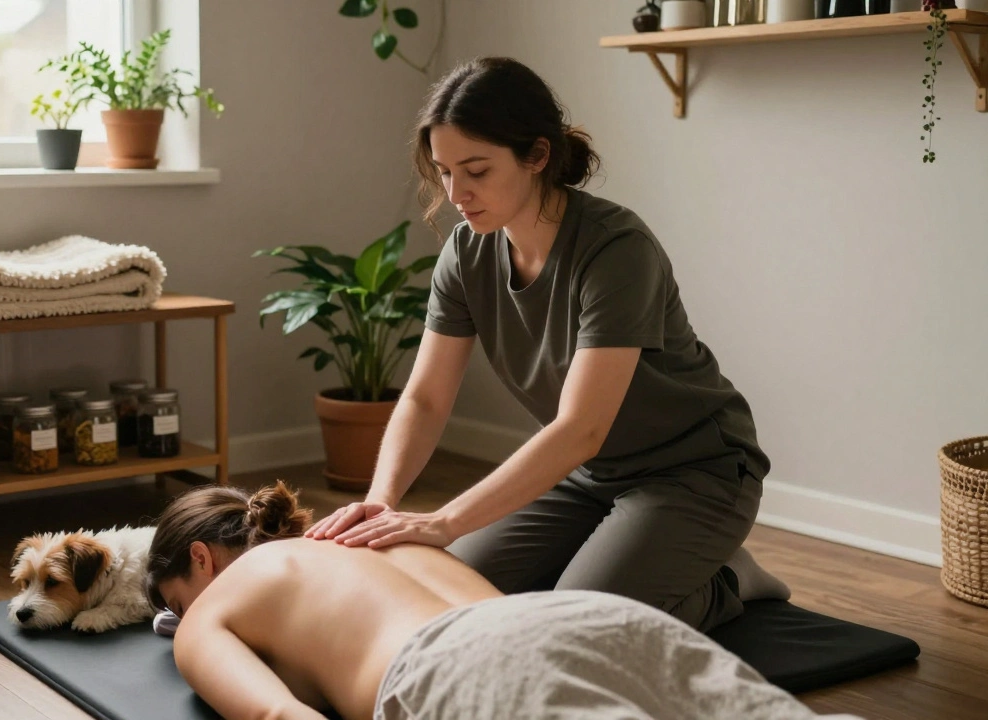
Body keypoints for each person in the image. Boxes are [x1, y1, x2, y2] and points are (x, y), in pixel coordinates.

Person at [306, 56, 788, 633]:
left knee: (574, 625)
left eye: (476, 170)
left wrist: (445, 521)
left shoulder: (617, 249)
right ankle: (631, 562)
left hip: (693, 471)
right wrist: (382, 500)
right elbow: (425, 399)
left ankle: (726, 580)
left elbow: (581, 427)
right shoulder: (466, 253)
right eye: (444, 171)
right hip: (586, 474)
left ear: (537, 156)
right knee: (454, 597)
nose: (456, 192)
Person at [145, 481, 859, 720]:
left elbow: (278, 717)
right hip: (583, 618)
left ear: (201, 559)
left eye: (179, 601)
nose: (182, 618)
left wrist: (195, 625)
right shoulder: (366, 535)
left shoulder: (210, 613)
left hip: (464, 669)